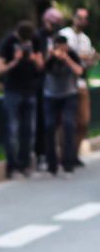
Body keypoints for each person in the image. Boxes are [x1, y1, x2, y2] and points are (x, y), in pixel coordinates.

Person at [0, 20, 44, 179]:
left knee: (29, 131)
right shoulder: (9, 41)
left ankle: (25, 165)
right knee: (12, 131)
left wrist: (33, 58)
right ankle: (13, 167)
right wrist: (15, 61)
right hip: (13, 91)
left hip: (30, 91)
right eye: (23, 40)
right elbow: (0, 68)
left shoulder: (35, 40)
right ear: (17, 34)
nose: (25, 43)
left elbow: (41, 66)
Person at [41, 33, 84, 177]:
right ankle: (52, 166)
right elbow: (41, 70)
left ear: (66, 46)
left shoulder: (71, 54)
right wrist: (48, 56)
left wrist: (66, 58)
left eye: (61, 47)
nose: (59, 49)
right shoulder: (50, 55)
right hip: (50, 95)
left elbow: (79, 71)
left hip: (69, 95)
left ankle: (68, 165)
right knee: (49, 126)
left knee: (68, 125)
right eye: (56, 47)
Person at [60, 7, 96, 160]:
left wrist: (92, 61)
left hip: (81, 84)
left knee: (84, 121)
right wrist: (81, 56)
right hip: (65, 83)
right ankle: (65, 156)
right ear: (74, 17)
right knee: (66, 122)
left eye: (85, 18)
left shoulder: (86, 39)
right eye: (80, 17)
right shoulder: (64, 34)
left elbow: (85, 65)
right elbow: (61, 52)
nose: (82, 20)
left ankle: (73, 153)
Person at [34, 8, 66, 170]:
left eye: (57, 25)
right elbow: (39, 64)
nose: (54, 27)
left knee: (54, 122)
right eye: (52, 24)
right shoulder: (36, 37)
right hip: (39, 85)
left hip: (55, 85)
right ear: (44, 21)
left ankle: (52, 154)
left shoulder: (56, 38)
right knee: (42, 122)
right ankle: (41, 155)